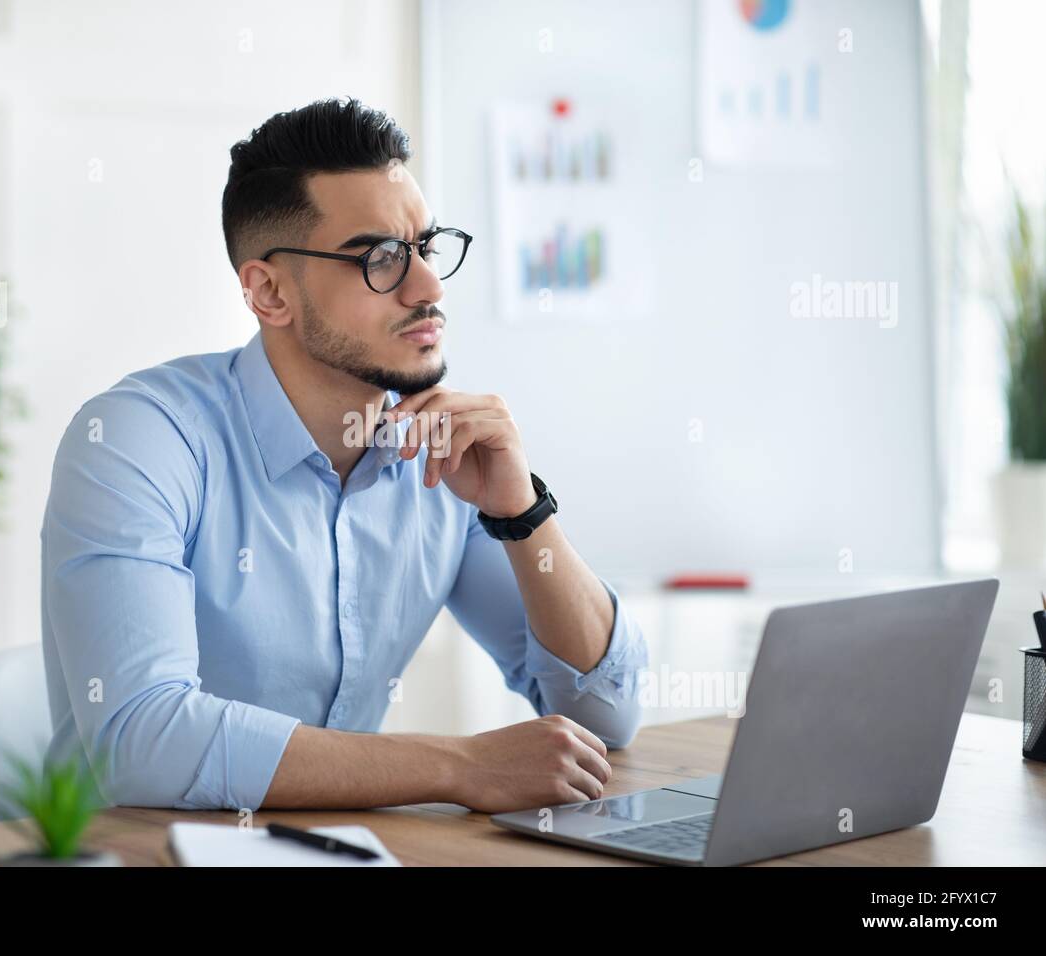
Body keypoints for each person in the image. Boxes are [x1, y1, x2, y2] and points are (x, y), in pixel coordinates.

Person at [41, 96, 647, 814]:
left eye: (425, 247)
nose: (429, 288)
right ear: (269, 293)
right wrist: (461, 766)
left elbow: (606, 714)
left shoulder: (442, 454)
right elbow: (141, 741)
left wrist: (522, 511)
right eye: (381, 259)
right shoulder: (138, 439)